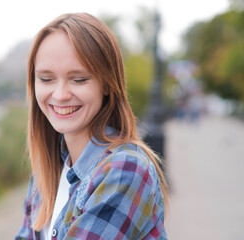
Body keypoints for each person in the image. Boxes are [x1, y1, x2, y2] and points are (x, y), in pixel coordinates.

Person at [16, 13, 168, 240]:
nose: (60, 95)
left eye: (78, 79)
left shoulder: (126, 169)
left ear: (107, 84)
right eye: (46, 79)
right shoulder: (46, 169)